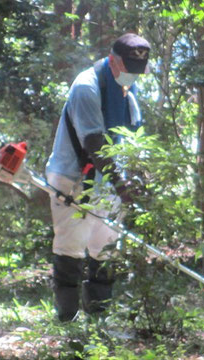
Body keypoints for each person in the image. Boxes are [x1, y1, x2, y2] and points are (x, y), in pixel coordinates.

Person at [45, 33, 151, 322]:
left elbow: (131, 138)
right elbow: (94, 142)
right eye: (127, 68)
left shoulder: (127, 92)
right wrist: (120, 182)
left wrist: (138, 175)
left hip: (109, 182)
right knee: (71, 249)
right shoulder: (86, 87)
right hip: (73, 177)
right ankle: (67, 321)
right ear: (112, 60)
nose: (131, 75)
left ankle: (98, 321)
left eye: (137, 70)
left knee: (105, 250)